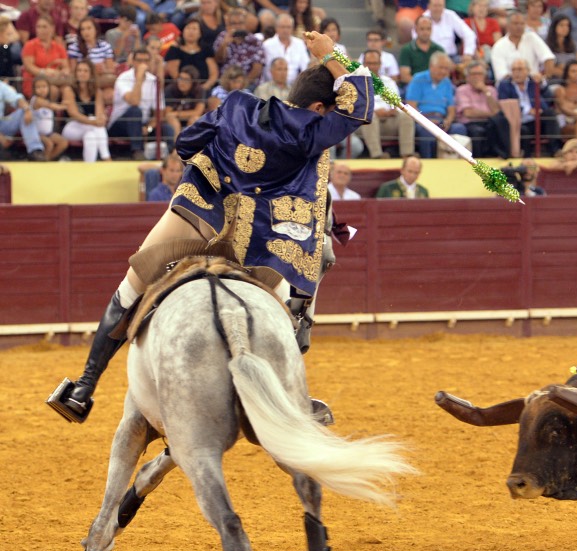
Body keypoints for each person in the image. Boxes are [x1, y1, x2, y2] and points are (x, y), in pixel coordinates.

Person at [48, 31, 375, 424]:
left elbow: (187, 143)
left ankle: (83, 387)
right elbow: (360, 105)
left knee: (132, 285)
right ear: (319, 107)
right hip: (258, 245)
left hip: (202, 215)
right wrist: (332, 56)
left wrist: (219, 167)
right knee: (284, 314)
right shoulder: (310, 132)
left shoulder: (237, 104)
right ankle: (292, 399)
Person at [108, 47, 173, 160]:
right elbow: (134, 101)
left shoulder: (153, 80)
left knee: (167, 128)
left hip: (143, 124)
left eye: (146, 61)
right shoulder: (123, 78)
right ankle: (137, 151)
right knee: (135, 110)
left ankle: (172, 156)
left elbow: (160, 112)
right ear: (133, 62)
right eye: (139, 60)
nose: (143, 64)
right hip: (120, 124)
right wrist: (139, 78)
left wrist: (148, 127)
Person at [404, 51, 467, 158]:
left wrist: (448, 121)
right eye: (441, 68)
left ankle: (459, 162)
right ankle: (428, 161)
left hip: (441, 121)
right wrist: (426, 121)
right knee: (427, 132)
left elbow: (451, 108)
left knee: (459, 129)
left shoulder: (447, 82)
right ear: (431, 66)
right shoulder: (418, 79)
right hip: (423, 120)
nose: (443, 71)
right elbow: (411, 106)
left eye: (446, 68)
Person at [495, 57, 561, 157]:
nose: (516, 73)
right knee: (524, 130)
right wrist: (527, 110)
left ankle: (556, 151)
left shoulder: (533, 81)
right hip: (518, 121)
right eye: (514, 70)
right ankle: (526, 158)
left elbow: (549, 98)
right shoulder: (505, 84)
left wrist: (542, 83)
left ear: (528, 71)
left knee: (550, 114)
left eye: (520, 69)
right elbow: (505, 104)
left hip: (537, 118)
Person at [358, 49, 416, 159]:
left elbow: (397, 103)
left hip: (389, 120)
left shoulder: (389, 82)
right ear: (363, 64)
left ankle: (407, 155)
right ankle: (377, 155)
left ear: (380, 64)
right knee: (369, 116)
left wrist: (392, 110)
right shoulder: (355, 82)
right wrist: (375, 111)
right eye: (369, 63)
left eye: (375, 63)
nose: (372, 67)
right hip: (365, 124)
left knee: (406, 116)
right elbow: (357, 107)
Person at [61, 59, 112, 162]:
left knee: (90, 136)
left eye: (85, 71)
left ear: (91, 74)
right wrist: (94, 122)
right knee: (95, 125)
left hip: (91, 127)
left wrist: (101, 118)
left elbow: (99, 113)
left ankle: (89, 166)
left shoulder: (97, 92)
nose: (82, 73)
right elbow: (73, 114)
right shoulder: (69, 90)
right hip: (71, 127)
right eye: (79, 70)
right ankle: (106, 158)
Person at [490, 10, 554, 83]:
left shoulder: (532, 37)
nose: (519, 27)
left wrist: (545, 77)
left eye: (522, 24)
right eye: (515, 23)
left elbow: (548, 57)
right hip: (509, 85)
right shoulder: (499, 46)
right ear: (508, 25)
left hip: (534, 83)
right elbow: (502, 75)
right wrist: (522, 80)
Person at [454, 58, 500, 158]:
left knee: (497, 128)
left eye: (479, 74)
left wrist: (485, 91)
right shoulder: (462, 90)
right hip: (470, 123)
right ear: (467, 77)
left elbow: (496, 111)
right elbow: (468, 113)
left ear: (484, 76)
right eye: (473, 74)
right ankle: (477, 161)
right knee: (477, 132)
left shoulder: (491, 90)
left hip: (490, 122)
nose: (477, 77)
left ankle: (495, 158)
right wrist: (490, 114)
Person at [165, 17, 219, 95]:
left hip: (203, 89)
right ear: (183, 31)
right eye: (188, 28)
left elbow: (213, 73)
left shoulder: (206, 50)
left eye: (194, 29)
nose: (191, 31)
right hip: (179, 89)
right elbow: (173, 73)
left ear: (200, 33)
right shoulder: (175, 50)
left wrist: (204, 87)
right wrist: (185, 87)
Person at [21, 14, 70, 99]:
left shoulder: (59, 47)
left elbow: (66, 67)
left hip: (55, 79)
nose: (41, 30)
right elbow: (29, 67)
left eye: (44, 27)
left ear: (52, 28)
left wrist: (62, 72)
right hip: (35, 81)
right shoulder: (29, 45)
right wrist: (44, 72)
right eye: (38, 27)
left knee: (67, 90)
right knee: (53, 90)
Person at [214, 7, 264, 89]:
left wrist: (241, 85)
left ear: (245, 24)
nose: (237, 26)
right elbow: (219, 60)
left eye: (240, 23)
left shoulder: (255, 41)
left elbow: (257, 69)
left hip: (248, 84)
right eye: (234, 23)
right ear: (229, 25)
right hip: (226, 84)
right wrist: (224, 44)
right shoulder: (223, 37)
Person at [415, 0, 477, 65]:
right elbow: (417, 40)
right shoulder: (422, 20)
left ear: (444, 6)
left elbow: (469, 34)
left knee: (472, 66)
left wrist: (468, 53)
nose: (437, 9)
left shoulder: (450, 15)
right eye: (435, 6)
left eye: (440, 6)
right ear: (429, 6)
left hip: (451, 58)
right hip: (430, 59)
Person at [0, 79, 46, 160]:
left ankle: (35, 150)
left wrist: (27, 109)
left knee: (24, 112)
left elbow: (17, 98)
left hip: (2, 124)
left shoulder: (1, 86)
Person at [67, 17, 117, 90]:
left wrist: (103, 70)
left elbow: (111, 69)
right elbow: (73, 70)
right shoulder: (74, 47)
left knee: (110, 87)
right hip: (82, 79)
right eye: (83, 29)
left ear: (96, 30)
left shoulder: (105, 46)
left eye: (89, 28)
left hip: (100, 78)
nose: (86, 32)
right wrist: (92, 70)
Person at [398, 14, 445, 87]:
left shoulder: (439, 50)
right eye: (422, 29)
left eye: (428, 29)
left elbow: (444, 72)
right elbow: (405, 76)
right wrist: (423, 86)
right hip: (414, 86)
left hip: (436, 85)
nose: (425, 32)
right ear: (416, 30)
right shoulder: (407, 50)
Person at [30, 75, 69, 160]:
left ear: (48, 88)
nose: (42, 90)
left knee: (63, 142)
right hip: (37, 133)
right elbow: (50, 106)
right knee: (49, 144)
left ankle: (48, 159)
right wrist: (62, 106)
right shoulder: (36, 100)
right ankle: (43, 161)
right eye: (38, 87)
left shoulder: (47, 100)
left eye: (44, 87)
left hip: (48, 133)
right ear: (34, 89)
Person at [262, 13, 309, 83]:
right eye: (283, 27)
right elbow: (266, 70)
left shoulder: (300, 44)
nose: (285, 30)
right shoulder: (267, 45)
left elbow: (305, 66)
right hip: (273, 84)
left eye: (288, 27)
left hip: (296, 84)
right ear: (276, 28)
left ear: (292, 29)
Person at [544, 13, 577, 84]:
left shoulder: (574, 44)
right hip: (554, 82)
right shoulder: (546, 45)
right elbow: (549, 70)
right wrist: (569, 72)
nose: (565, 28)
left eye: (567, 25)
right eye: (561, 25)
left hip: (574, 82)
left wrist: (563, 67)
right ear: (554, 27)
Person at [164, 65, 206, 138]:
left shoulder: (199, 90)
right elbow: (168, 113)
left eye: (186, 80)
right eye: (180, 78)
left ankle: (191, 143)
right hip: (175, 120)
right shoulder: (170, 89)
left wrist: (177, 114)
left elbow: (198, 112)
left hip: (189, 118)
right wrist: (176, 115)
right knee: (171, 118)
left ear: (193, 82)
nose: (181, 82)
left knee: (195, 119)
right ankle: (177, 143)